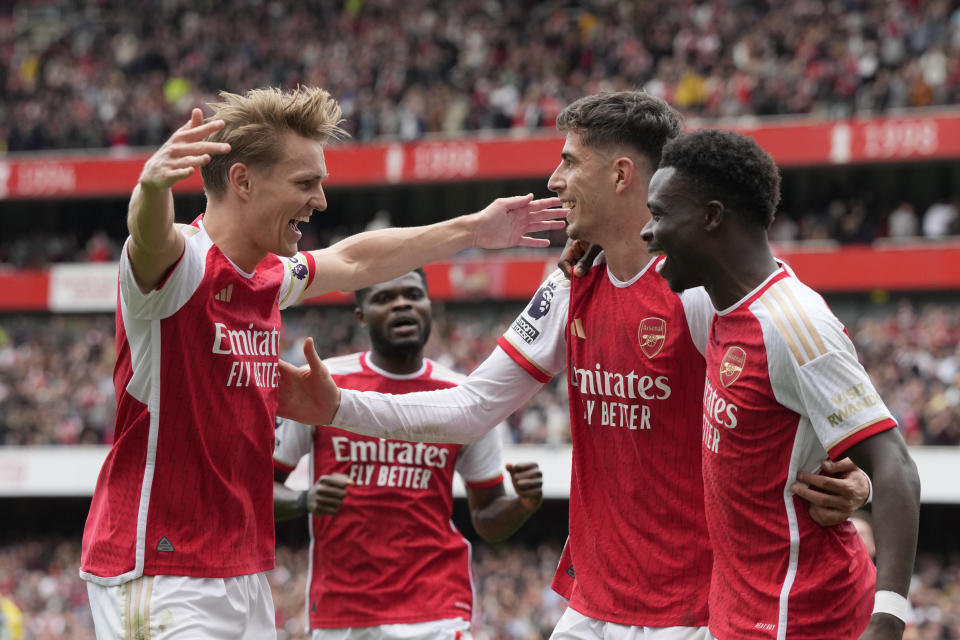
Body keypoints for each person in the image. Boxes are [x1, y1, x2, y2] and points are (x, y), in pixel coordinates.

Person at [277, 91, 870, 639]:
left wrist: (848, 475)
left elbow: (795, 401)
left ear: (620, 175)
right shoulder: (569, 281)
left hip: (691, 609)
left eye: (569, 161)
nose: (555, 180)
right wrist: (336, 406)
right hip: (592, 603)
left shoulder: (698, 292)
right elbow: (472, 407)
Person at [79, 86, 565, 639]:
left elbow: (355, 257)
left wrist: (474, 230)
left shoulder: (269, 276)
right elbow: (147, 239)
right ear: (242, 180)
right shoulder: (183, 268)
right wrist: (151, 187)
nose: (321, 201)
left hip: (243, 569)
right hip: (162, 567)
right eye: (305, 183)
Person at [641, 128, 921, 640]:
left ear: (711, 216)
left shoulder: (794, 325)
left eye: (659, 215)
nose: (647, 232)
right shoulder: (720, 306)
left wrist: (888, 621)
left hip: (802, 616)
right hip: (738, 609)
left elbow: (896, 465)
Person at [273, 269, 543, 639]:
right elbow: (258, 489)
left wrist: (523, 503)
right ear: (360, 315)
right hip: (344, 610)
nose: (402, 304)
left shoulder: (466, 397)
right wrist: (304, 499)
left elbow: (487, 517)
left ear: (430, 306)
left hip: (436, 609)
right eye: (384, 298)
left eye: (414, 295)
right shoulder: (322, 384)